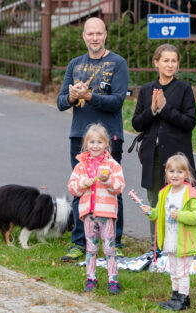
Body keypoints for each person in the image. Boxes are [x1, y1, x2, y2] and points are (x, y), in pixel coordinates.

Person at [57, 17, 129, 261]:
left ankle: (115, 242)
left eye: (99, 33)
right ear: (84, 36)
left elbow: (117, 101)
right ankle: (79, 242)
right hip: (80, 138)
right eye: (90, 34)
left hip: (110, 138)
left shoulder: (118, 63)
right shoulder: (75, 64)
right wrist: (71, 96)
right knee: (80, 189)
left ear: (105, 35)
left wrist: (89, 96)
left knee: (111, 189)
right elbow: (59, 102)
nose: (94, 38)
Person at [131, 43, 196, 249]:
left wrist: (165, 108)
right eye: (165, 60)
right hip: (154, 156)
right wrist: (152, 109)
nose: (170, 65)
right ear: (156, 63)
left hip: (177, 158)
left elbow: (189, 122)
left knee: (179, 201)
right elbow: (136, 123)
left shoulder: (183, 89)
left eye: (173, 61)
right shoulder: (146, 90)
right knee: (155, 202)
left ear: (178, 65)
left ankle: (179, 246)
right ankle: (157, 247)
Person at [140, 154, 196, 310]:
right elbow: (160, 214)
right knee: (174, 271)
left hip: (185, 241)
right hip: (170, 239)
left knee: (182, 272)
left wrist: (181, 215)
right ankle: (175, 297)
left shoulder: (191, 195)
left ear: (187, 174)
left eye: (179, 172)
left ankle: (183, 299)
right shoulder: (165, 192)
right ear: (166, 173)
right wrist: (151, 212)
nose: (175, 175)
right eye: (171, 171)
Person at [67, 123, 125, 295]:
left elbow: (119, 187)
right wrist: (82, 183)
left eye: (99, 142)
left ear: (106, 143)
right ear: (86, 144)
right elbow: (72, 188)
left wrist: (107, 181)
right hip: (88, 214)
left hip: (106, 214)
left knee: (109, 248)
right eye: (91, 142)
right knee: (91, 248)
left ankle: (113, 279)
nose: (95, 146)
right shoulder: (81, 166)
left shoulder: (113, 165)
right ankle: (90, 278)